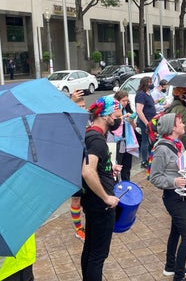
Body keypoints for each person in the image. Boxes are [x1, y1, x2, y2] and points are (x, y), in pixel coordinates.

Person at [81, 96, 123, 281]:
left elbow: (93, 165)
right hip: (101, 205)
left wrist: (108, 167)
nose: (119, 119)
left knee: (90, 249)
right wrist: (106, 197)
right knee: (98, 255)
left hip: (91, 202)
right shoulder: (97, 140)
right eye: (117, 115)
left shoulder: (90, 134)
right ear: (106, 116)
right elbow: (87, 171)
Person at [149, 113, 186, 281]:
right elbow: (155, 177)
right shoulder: (162, 149)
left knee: (176, 232)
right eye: (180, 122)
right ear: (172, 128)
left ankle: (170, 266)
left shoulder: (178, 143)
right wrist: (174, 181)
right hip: (172, 197)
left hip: (181, 196)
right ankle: (179, 275)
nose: (183, 124)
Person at [69, 90, 87, 242]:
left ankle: (88, 226)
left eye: (84, 106)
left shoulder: (86, 122)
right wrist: (70, 101)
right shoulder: (69, 123)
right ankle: (78, 229)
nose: (83, 109)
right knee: (76, 201)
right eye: (79, 106)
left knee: (88, 200)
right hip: (73, 168)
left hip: (87, 166)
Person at [114, 90, 137, 182]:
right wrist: (123, 117)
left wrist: (131, 120)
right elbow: (112, 122)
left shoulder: (126, 110)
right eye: (123, 101)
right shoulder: (114, 111)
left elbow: (134, 127)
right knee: (116, 166)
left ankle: (126, 184)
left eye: (127, 101)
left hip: (127, 141)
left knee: (126, 167)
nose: (125, 103)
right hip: (117, 142)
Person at [135, 76, 157, 168]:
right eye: (149, 82)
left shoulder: (148, 93)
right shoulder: (141, 94)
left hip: (151, 121)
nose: (151, 84)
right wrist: (146, 123)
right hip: (145, 122)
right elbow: (139, 110)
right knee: (145, 141)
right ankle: (144, 161)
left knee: (151, 141)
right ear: (145, 83)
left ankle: (150, 159)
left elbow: (149, 104)